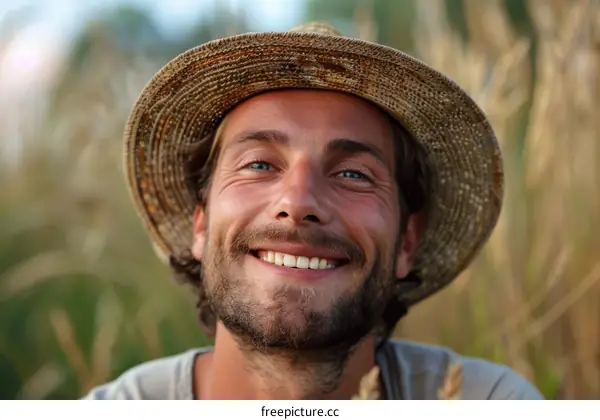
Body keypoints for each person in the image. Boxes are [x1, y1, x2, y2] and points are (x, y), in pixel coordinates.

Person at [83, 22, 543, 400]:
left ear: (407, 241)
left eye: (353, 175)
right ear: (200, 224)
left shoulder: (489, 401)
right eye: (259, 164)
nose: (299, 203)